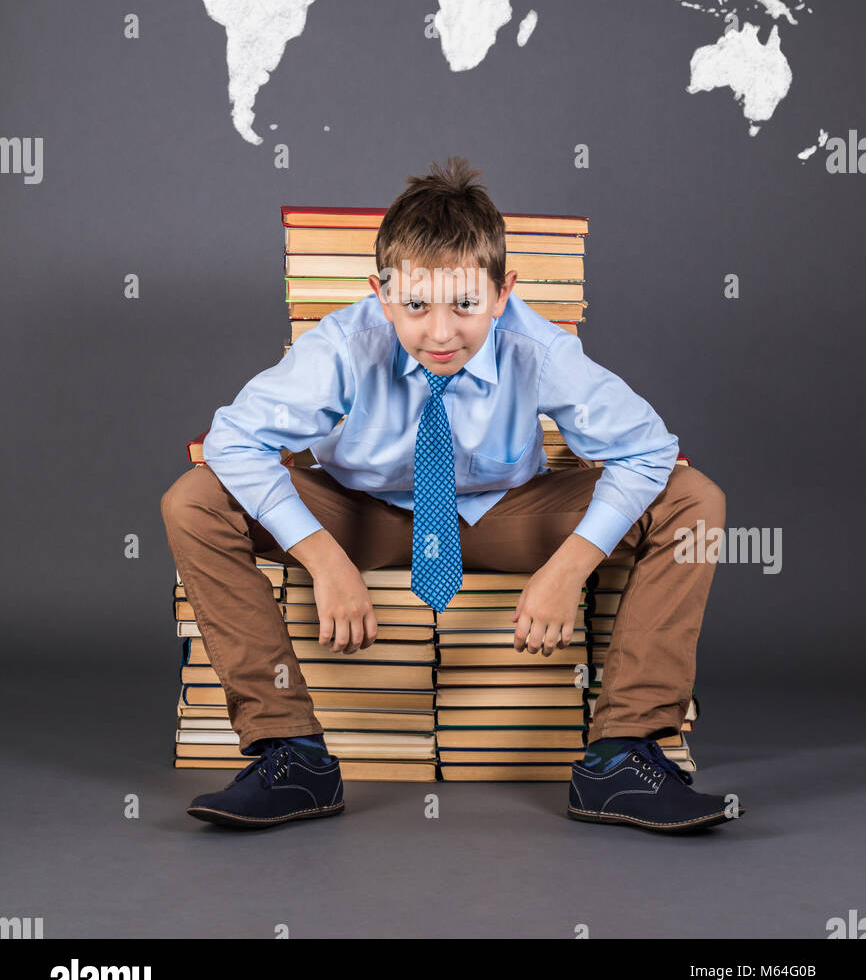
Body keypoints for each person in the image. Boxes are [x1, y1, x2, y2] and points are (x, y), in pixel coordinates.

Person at [160, 156, 743, 834]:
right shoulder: (348, 342)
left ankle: (620, 758)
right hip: (363, 515)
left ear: (502, 293)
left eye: (466, 304)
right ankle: (292, 755)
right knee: (194, 500)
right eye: (415, 305)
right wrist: (322, 558)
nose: (441, 332)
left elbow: (648, 447)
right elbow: (234, 439)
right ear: (382, 294)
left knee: (693, 498)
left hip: (503, 514)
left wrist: (568, 568)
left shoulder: (536, 347)